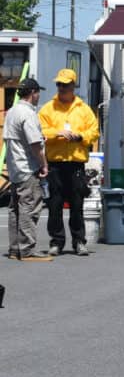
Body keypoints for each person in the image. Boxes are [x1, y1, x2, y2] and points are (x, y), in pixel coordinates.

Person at [38, 68, 100, 256]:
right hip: (55, 164)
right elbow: (39, 131)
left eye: (65, 84)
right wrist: (57, 133)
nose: (61, 88)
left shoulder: (83, 109)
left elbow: (94, 132)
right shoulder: (48, 108)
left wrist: (80, 136)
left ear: (73, 85)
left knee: (77, 204)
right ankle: (56, 242)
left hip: (75, 164)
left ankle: (79, 242)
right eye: (59, 84)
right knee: (54, 205)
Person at [5, 78, 52, 261]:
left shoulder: (12, 111)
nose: (39, 96)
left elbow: (19, 138)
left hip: (15, 167)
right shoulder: (28, 113)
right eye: (38, 92)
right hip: (27, 167)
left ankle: (15, 249)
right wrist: (44, 164)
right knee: (29, 207)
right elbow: (34, 144)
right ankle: (27, 250)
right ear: (33, 93)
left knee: (15, 209)